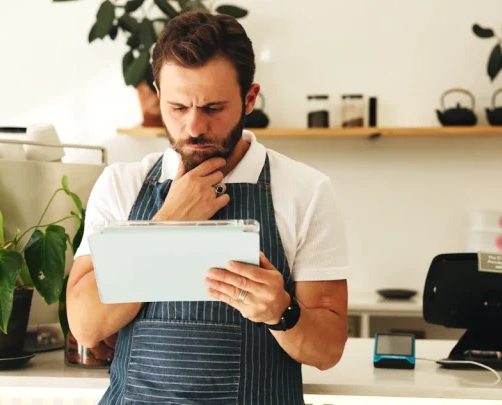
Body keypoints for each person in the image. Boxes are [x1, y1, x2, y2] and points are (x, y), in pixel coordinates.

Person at [66, 10, 349, 405]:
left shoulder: (305, 191)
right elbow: (85, 325)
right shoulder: (121, 185)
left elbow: (329, 350)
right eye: (179, 108)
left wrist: (283, 313)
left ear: (250, 98)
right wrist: (166, 224)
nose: (195, 127)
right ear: (158, 96)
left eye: (213, 109)